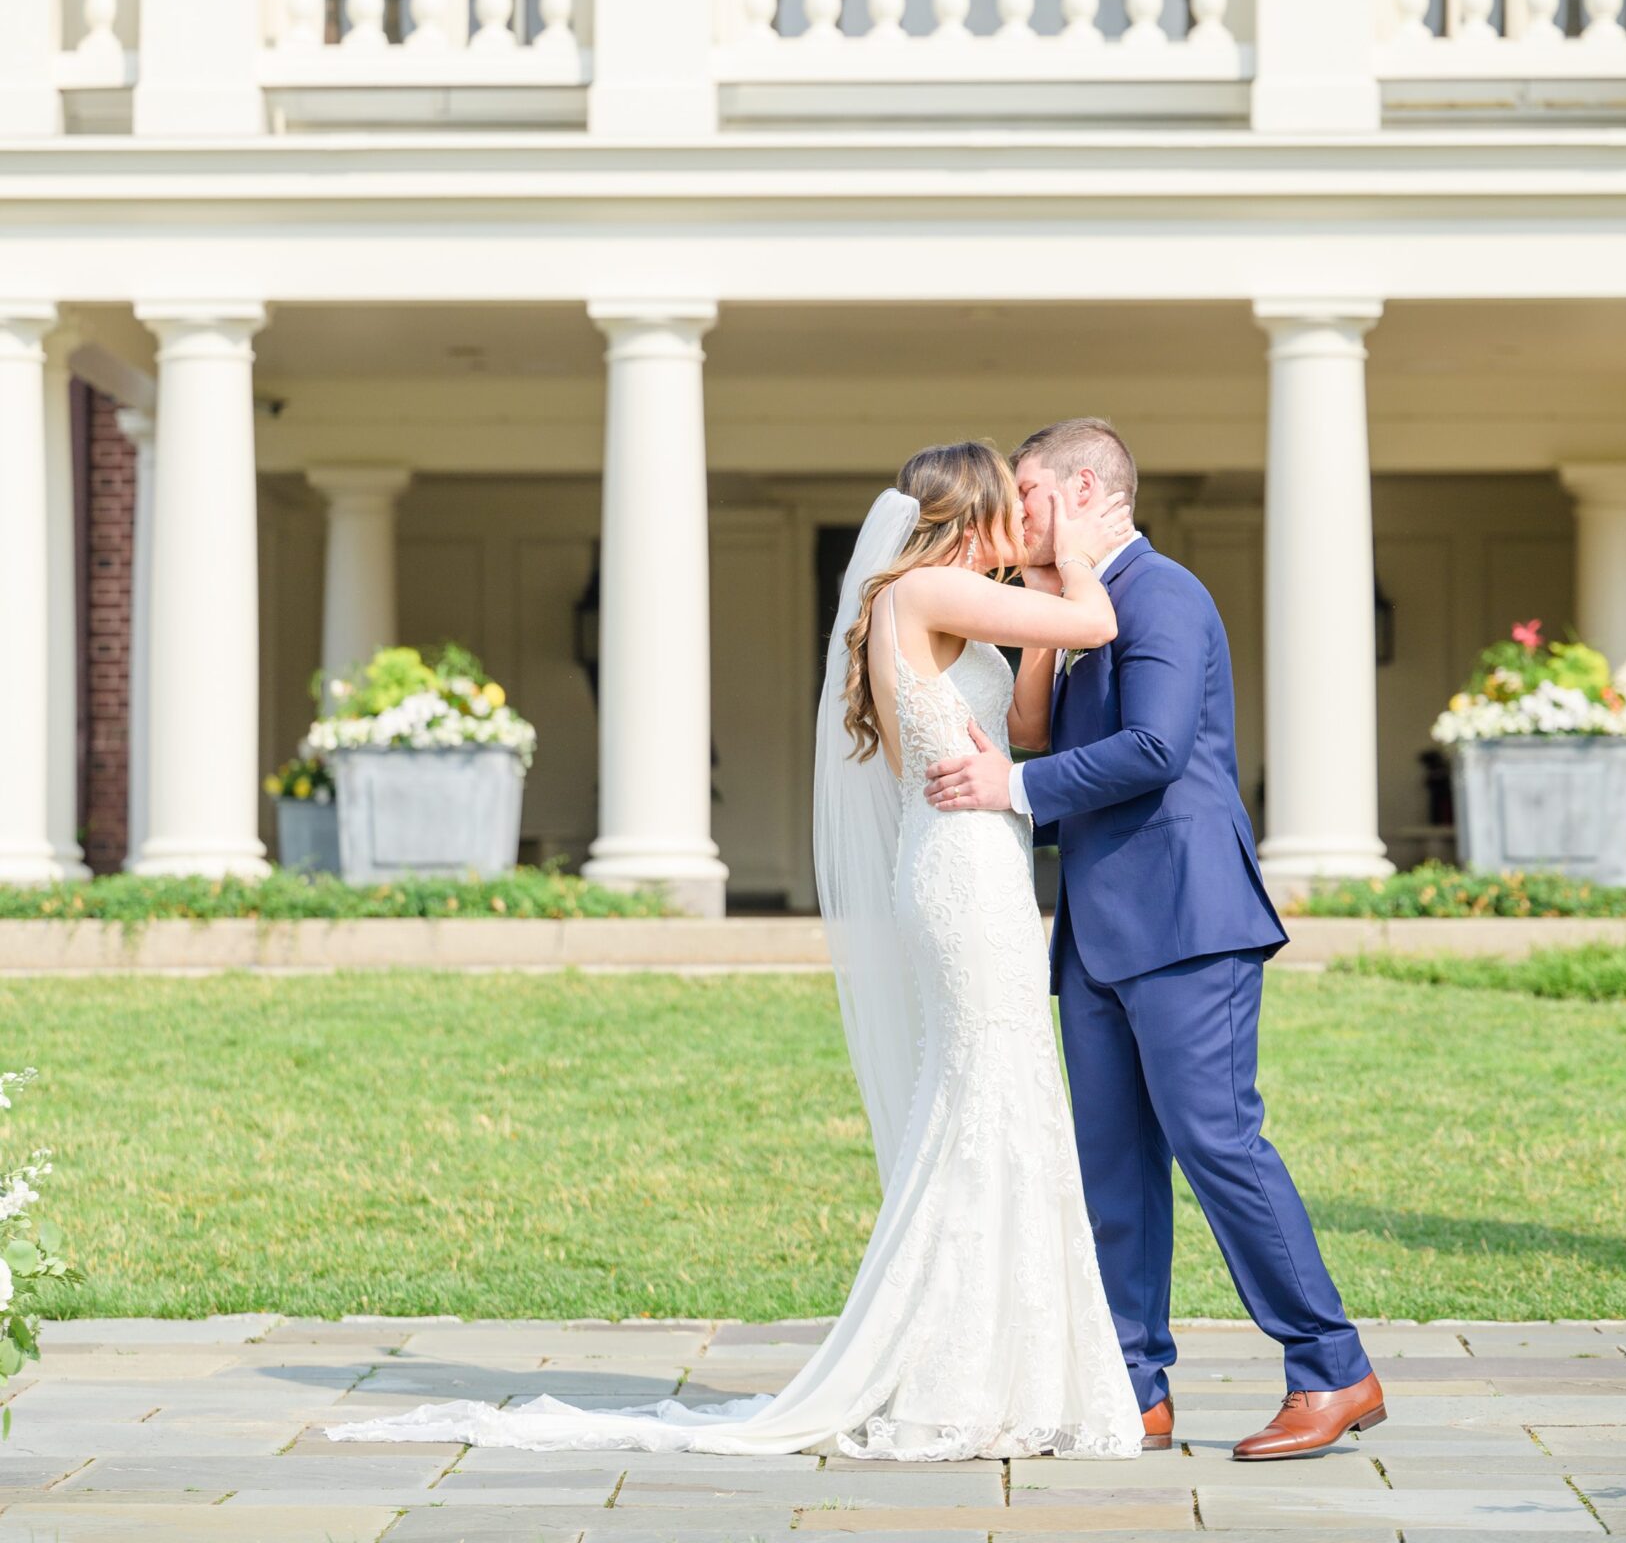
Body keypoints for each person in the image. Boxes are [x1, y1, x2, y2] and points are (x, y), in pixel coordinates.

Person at [330, 440, 1153, 1460]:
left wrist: (1029, 599)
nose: (1028, 518)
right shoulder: (932, 590)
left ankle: (988, 1362)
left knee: (1000, 1095)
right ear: (973, 510)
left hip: (968, 859)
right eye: (1015, 502)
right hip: (962, 874)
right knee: (987, 1099)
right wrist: (1070, 548)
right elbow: (1097, 620)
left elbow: (1027, 717)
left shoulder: (936, 605)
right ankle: (955, 1366)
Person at [925, 416, 1386, 1463]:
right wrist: (1044, 621)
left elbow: (1152, 746)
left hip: (1185, 921)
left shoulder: (1164, 592)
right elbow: (1041, 728)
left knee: (1217, 1144)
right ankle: (1134, 1389)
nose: (1016, 513)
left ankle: (1329, 1367)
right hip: (1093, 934)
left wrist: (1014, 790)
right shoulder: (1083, 608)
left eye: (1031, 493)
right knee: (1111, 1167)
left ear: (1087, 491)